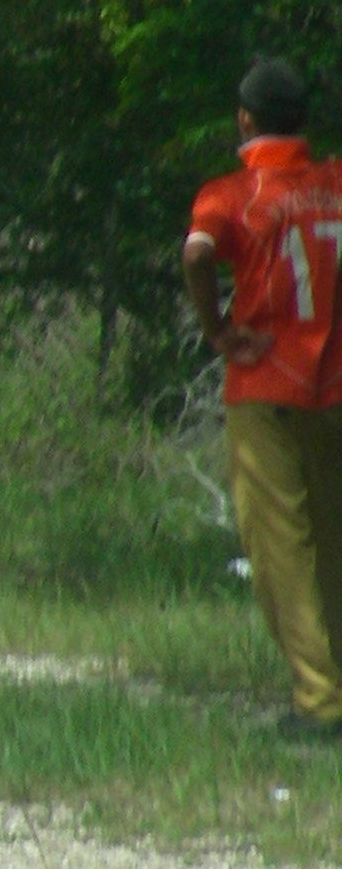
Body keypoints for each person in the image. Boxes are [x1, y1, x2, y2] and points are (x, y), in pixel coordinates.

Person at [184, 55, 342, 736]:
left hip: (266, 382)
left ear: (245, 120)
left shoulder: (231, 193)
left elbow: (197, 252)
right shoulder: (335, 183)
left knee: (280, 545)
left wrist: (217, 328)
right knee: (333, 539)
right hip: (334, 386)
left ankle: (320, 700)